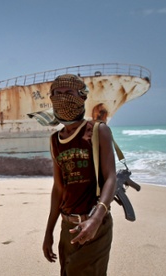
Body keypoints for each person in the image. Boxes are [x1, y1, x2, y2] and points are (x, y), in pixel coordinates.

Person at [42, 74, 117, 275]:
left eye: (68, 93)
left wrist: (96, 219)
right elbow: (59, 188)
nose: (62, 97)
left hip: (95, 224)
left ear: (82, 97)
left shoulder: (98, 130)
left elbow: (111, 177)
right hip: (67, 226)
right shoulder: (55, 140)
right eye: (57, 94)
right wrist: (49, 231)